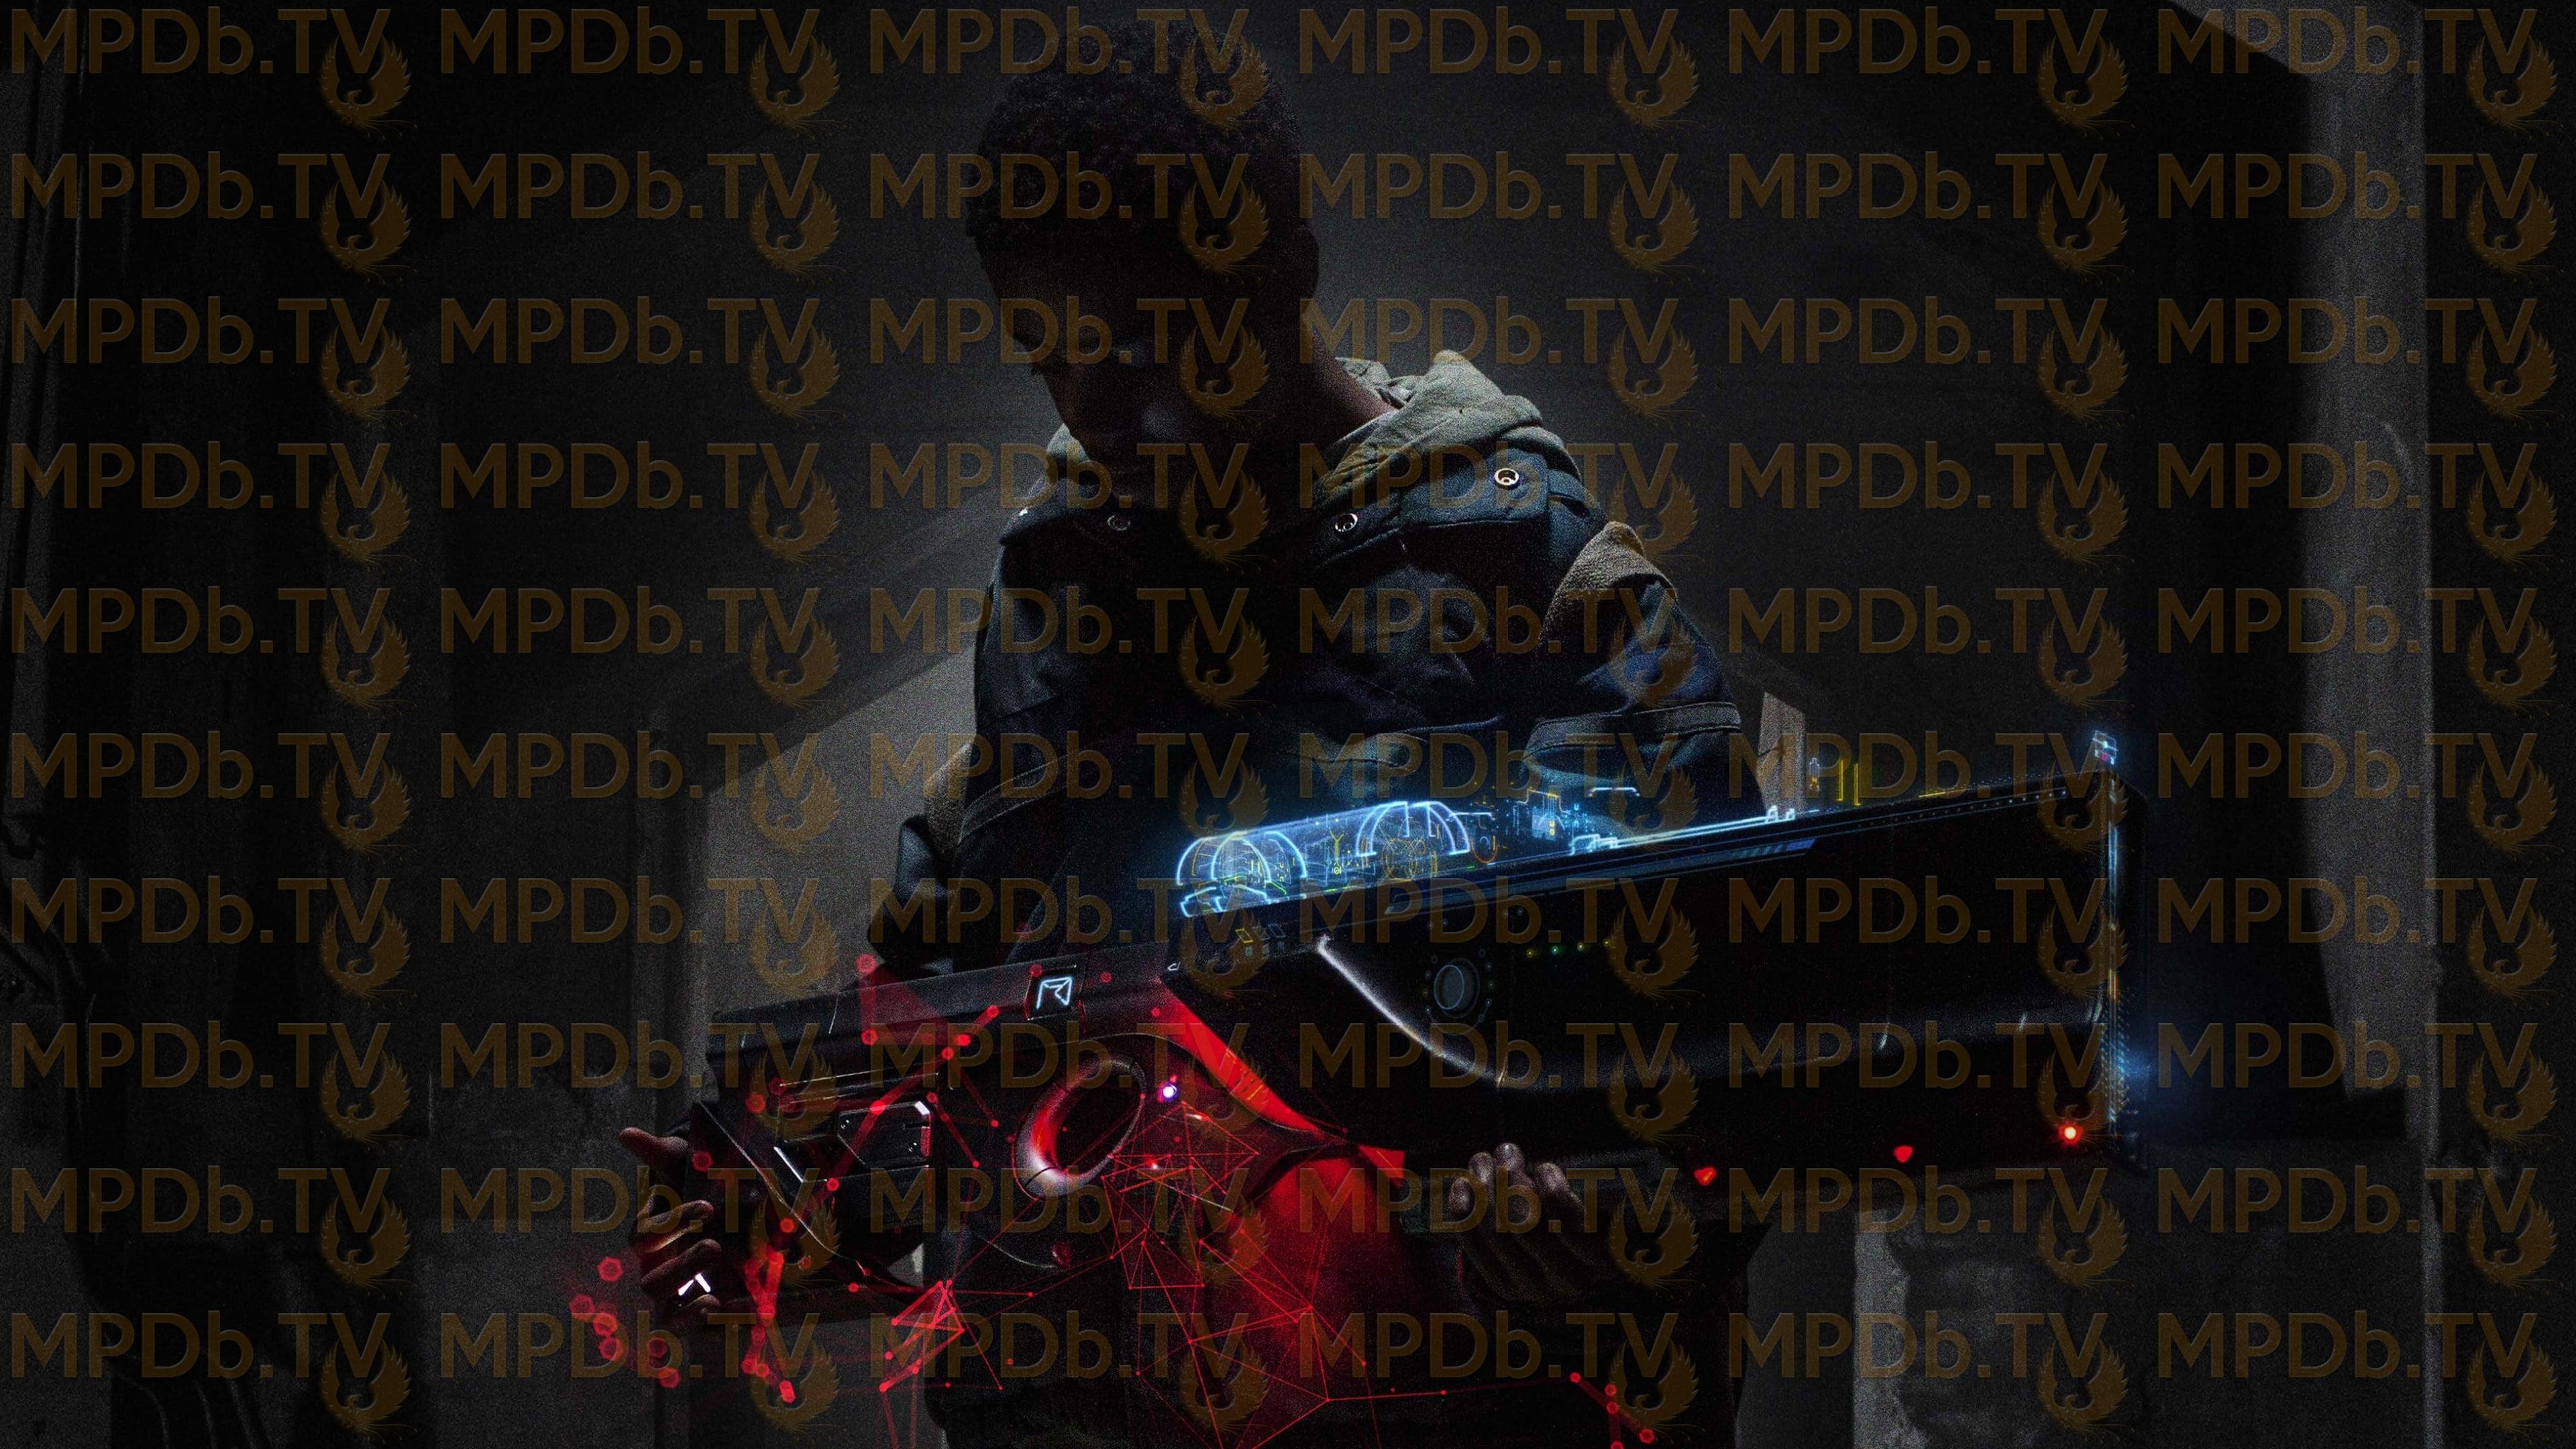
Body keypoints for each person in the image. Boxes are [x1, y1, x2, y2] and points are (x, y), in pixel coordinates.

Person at [625, 19, 1757, 1446]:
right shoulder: (1061, 611)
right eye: (1051, 361)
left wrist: (1594, 1229)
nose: (1094, 413)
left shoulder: (1542, 594)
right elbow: (956, 1019)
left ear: (1277, 279)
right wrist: (785, 1199)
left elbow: (1731, 1065)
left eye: (1140, 348)